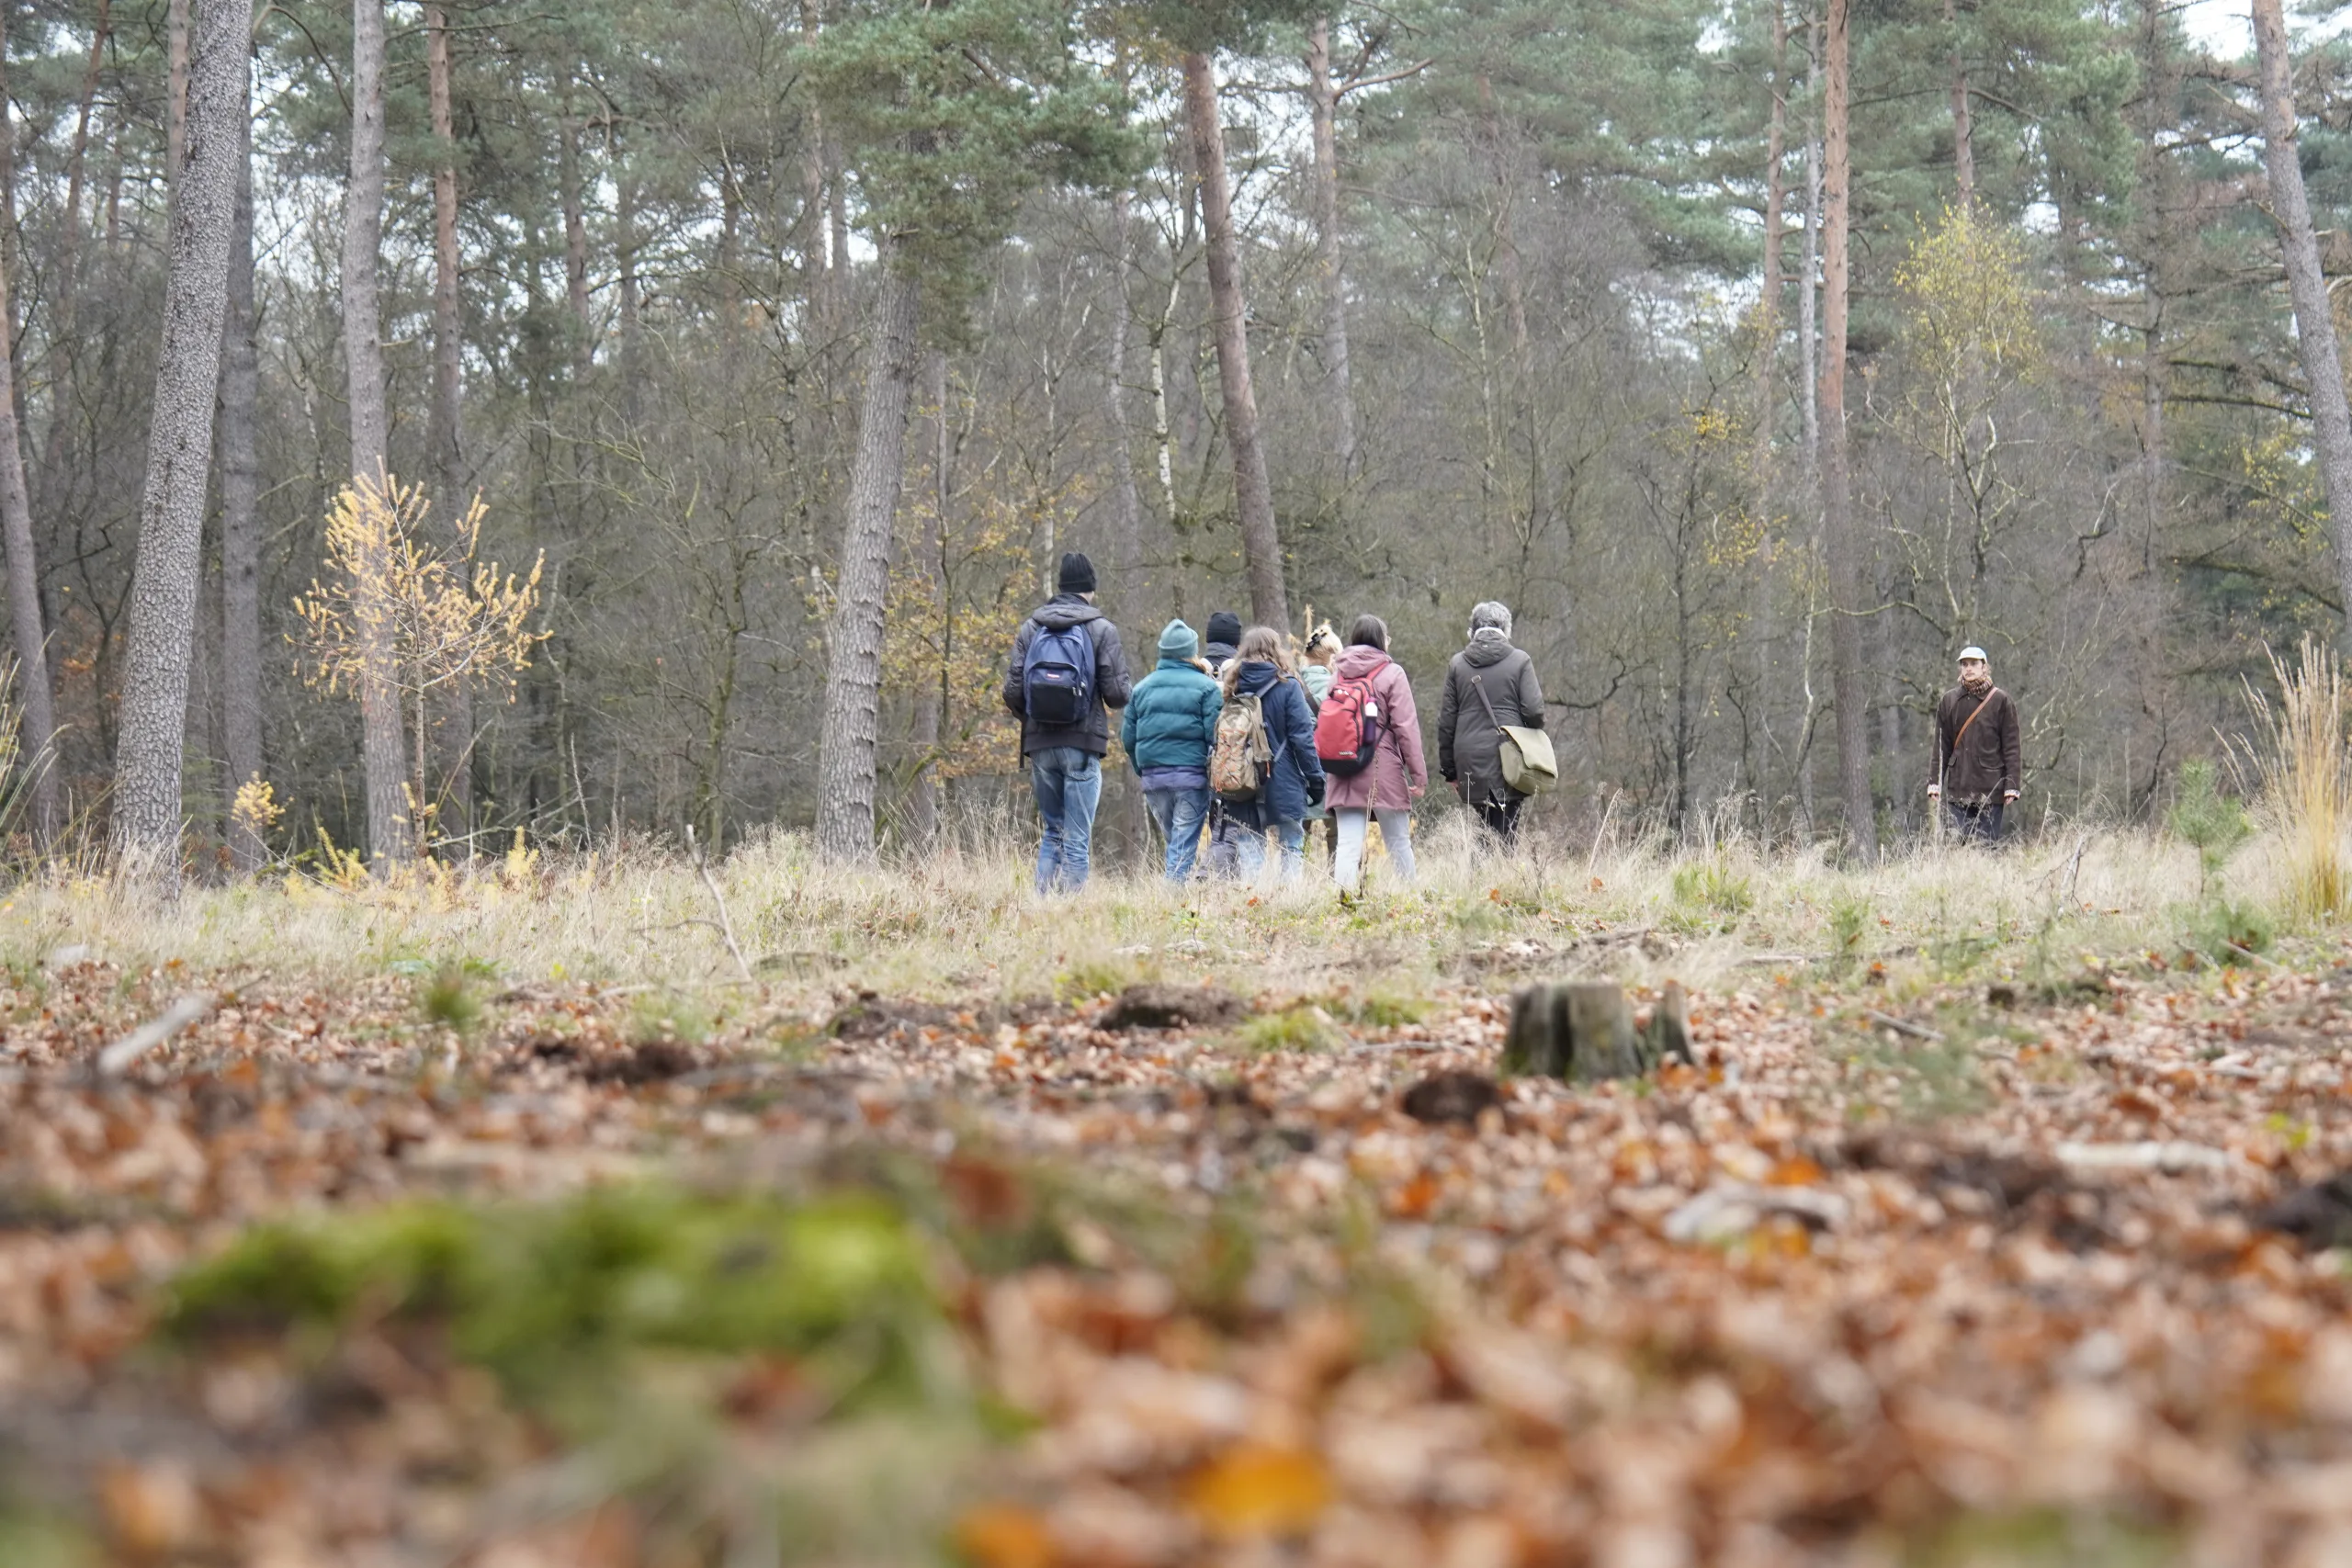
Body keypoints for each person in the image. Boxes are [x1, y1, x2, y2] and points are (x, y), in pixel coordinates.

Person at [1001, 551, 1132, 892]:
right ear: (1090, 589)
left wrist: (1034, 717)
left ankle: (1041, 907)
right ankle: (1071, 915)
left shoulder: (1031, 628)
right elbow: (1118, 694)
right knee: (1077, 835)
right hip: (1083, 741)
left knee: (1053, 831)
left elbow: (1012, 691)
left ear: (1061, 586)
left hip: (1040, 744)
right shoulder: (1101, 629)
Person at [1321, 614, 1427, 892]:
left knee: (1347, 844)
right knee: (1398, 841)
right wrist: (1418, 775)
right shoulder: (1392, 674)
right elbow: (1406, 727)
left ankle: (1343, 901)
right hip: (1382, 768)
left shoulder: (1337, 674)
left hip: (1343, 767)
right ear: (1382, 640)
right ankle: (1410, 899)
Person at [1219, 626, 1326, 883]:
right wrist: (1315, 779)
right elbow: (1302, 739)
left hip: (1241, 780)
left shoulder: (1232, 687)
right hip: (1284, 778)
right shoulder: (1288, 686)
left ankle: (1253, 903)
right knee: (1291, 843)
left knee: (1249, 847)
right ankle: (1290, 904)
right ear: (1276, 651)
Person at [1120, 618, 1222, 882]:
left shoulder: (1141, 689)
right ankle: (1173, 906)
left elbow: (1128, 738)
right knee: (1182, 845)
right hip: (1191, 777)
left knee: (1175, 843)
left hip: (1154, 778)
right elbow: (1216, 736)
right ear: (1192, 652)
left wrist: (1142, 768)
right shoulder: (1207, 688)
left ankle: (1173, 898)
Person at [1438, 602, 1546, 844]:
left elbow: (1446, 722)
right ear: (1506, 629)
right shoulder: (1520, 661)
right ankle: (1499, 876)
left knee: (1483, 825)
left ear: (1472, 630)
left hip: (1468, 756)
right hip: (1510, 754)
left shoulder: (1457, 664)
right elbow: (1535, 712)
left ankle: (1480, 877)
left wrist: (1449, 770)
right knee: (1506, 825)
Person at [1928, 644, 2020, 844]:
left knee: (1986, 846)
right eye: (1964, 664)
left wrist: (2011, 785)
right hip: (1958, 786)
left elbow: (2012, 747)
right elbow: (1941, 746)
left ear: (1984, 667)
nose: (1969, 668)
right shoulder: (1949, 701)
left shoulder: (2001, 701)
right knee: (1958, 845)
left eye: (1974, 664)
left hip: (1991, 786)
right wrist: (1935, 782)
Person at [1199, 610, 1250, 879]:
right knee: (1232, 825)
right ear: (1237, 642)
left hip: (1198, 760)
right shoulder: (1242, 671)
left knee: (1213, 824)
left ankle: (1215, 877)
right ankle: (1223, 878)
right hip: (1235, 760)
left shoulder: (1195, 668)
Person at [1297, 624, 1340, 861]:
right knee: (1338, 837)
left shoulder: (1291, 684)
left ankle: (1296, 889)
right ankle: (1339, 885)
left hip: (1298, 769)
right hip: (1331, 770)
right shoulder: (1338, 687)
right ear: (1332, 658)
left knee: (1296, 838)